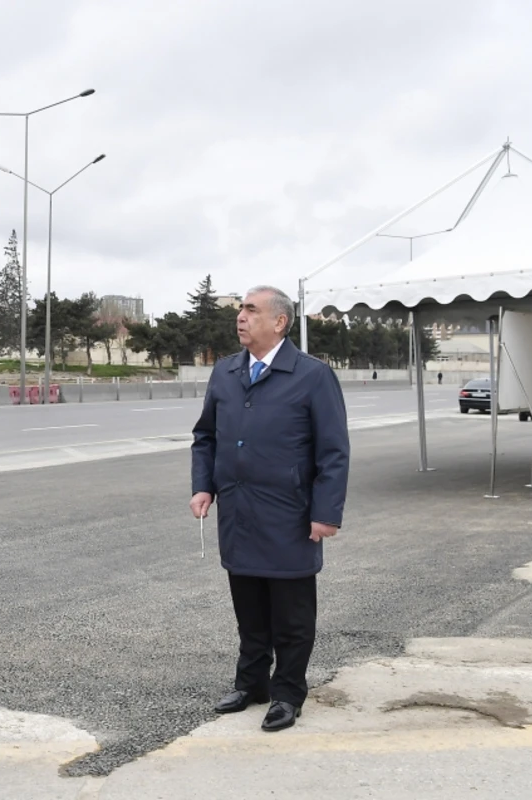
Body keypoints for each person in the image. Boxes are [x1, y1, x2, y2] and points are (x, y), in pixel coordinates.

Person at [190, 286, 350, 732]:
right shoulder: (225, 373)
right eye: (240, 309)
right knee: (250, 608)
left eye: (251, 310)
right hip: (239, 511)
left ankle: (287, 693)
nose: (240, 316)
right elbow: (205, 437)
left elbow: (334, 451)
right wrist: (204, 487)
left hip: (290, 514)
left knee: (291, 614)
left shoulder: (312, 375)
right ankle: (251, 683)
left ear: (279, 322)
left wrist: (326, 512)